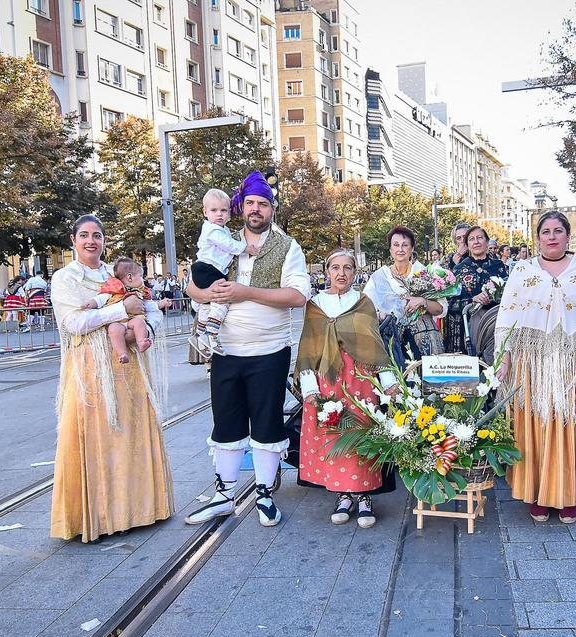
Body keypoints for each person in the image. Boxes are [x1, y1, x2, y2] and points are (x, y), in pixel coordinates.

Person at [183, 170, 311, 528]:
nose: (256, 209)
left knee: (268, 424)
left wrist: (245, 293)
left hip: (269, 350)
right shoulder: (221, 237)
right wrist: (205, 294)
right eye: (250, 203)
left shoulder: (287, 246)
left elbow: (298, 296)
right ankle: (224, 494)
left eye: (263, 204)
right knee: (226, 422)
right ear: (241, 206)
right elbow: (193, 283)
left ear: (272, 208)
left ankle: (264, 495)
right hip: (225, 349)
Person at [50, 214, 172, 543]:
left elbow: (151, 309)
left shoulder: (116, 274)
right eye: (85, 235)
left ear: (104, 241)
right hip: (91, 373)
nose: (92, 241)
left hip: (129, 368)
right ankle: (103, 517)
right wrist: (121, 312)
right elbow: (73, 323)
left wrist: (144, 329)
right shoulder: (64, 279)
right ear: (73, 240)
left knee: (128, 438)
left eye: (97, 236)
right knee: (98, 441)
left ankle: (139, 510)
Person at [497, 211, 576, 524]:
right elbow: (507, 316)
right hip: (532, 359)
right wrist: (504, 355)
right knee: (536, 425)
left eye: (558, 231)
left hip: (575, 360)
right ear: (537, 237)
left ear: (567, 235)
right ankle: (537, 492)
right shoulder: (522, 269)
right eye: (545, 231)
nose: (551, 236)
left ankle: (568, 495)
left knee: (570, 424)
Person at [297, 248, 397, 528]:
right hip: (327, 380)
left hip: (361, 381)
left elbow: (374, 346)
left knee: (362, 435)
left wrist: (388, 382)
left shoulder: (362, 302)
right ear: (327, 272)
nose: (341, 274)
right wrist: (309, 387)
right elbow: (308, 348)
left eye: (348, 268)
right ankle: (343, 495)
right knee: (334, 435)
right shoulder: (315, 305)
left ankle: (364, 496)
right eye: (336, 268)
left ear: (355, 272)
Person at [362, 226, 446, 369]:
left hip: (425, 341)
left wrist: (423, 302)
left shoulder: (425, 273)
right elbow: (364, 309)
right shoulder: (378, 277)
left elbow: (441, 309)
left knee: (428, 386)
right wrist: (380, 314)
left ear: (412, 248)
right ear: (390, 249)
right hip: (391, 342)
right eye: (396, 245)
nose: (400, 249)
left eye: (405, 245)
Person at [190, 188, 261, 356]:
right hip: (208, 269)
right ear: (205, 212)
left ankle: (199, 334)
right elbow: (228, 245)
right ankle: (211, 335)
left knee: (206, 306)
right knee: (221, 301)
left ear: (229, 213)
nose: (219, 214)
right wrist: (246, 249)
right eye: (214, 210)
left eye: (223, 210)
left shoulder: (222, 229)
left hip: (207, 269)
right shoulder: (212, 230)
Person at [82, 257, 164, 363]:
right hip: (117, 322)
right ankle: (122, 353)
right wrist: (91, 303)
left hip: (132, 320)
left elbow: (150, 306)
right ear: (129, 277)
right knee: (113, 330)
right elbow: (100, 299)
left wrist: (160, 304)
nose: (143, 280)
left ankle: (141, 342)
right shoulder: (113, 288)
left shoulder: (141, 291)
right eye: (140, 276)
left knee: (139, 322)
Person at [449, 226, 510, 355]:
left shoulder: (498, 266)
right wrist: (473, 300)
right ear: (467, 245)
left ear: (487, 242)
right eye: (471, 239)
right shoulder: (459, 269)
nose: (476, 242)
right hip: (468, 325)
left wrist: (494, 296)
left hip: (496, 320)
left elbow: (510, 295)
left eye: (480, 238)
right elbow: (450, 303)